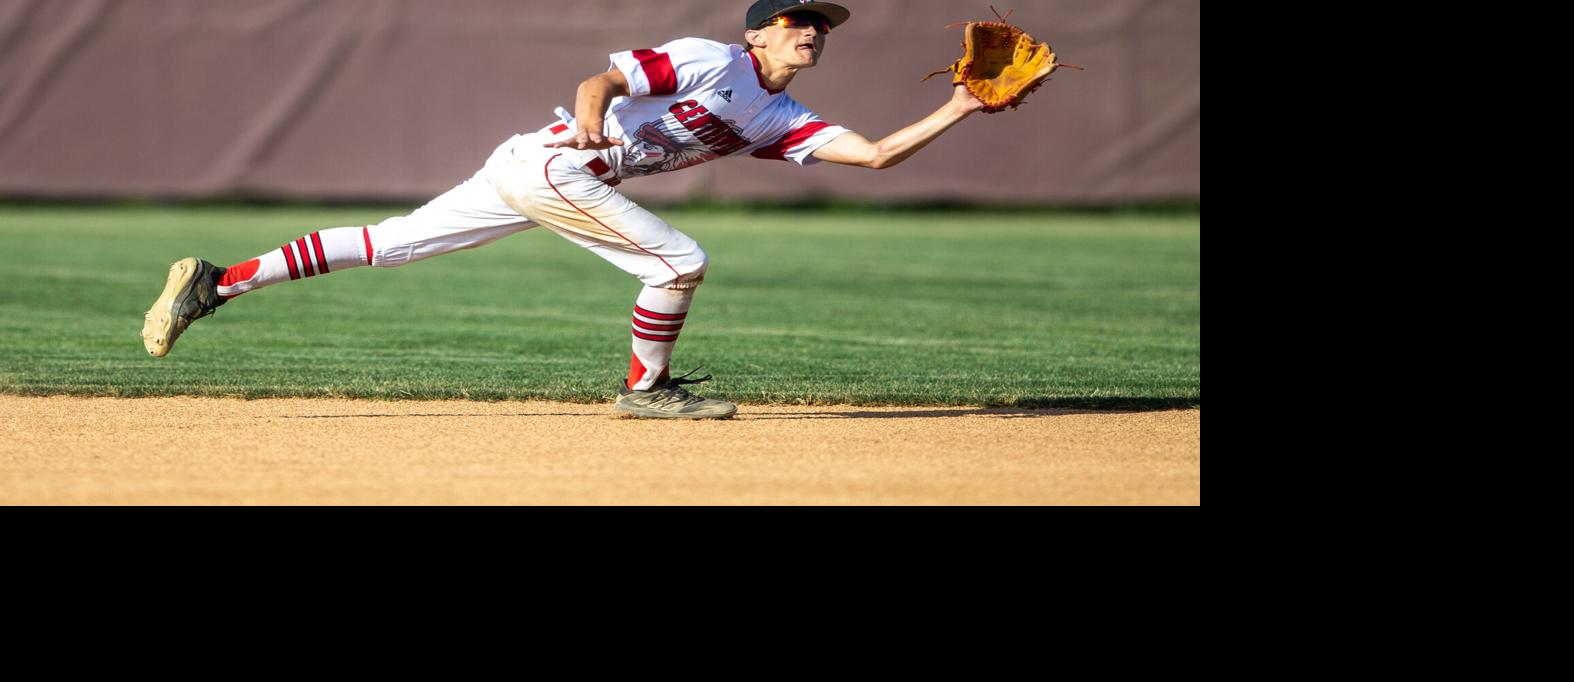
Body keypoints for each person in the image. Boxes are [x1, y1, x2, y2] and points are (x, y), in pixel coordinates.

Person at [140, 0, 989, 419]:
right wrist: (588, 123)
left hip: (536, 168)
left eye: (821, 26)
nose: (813, 32)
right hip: (551, 163)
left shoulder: (778, 116)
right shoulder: (709, 59)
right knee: (678, 261)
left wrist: (960, 110)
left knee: (392, 244)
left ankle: (220, 281)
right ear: (759, 34)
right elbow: (605, 81)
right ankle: (645, 390)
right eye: (798, 21)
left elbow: (875, 155)